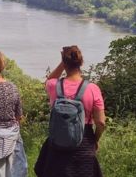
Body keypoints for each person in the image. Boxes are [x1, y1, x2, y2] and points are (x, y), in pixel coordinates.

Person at [34, 45, 106, 177]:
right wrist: (94, 140)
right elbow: (100, 122)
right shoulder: (93, 88)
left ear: (64, 63)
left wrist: (62, 64)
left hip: (57, 143)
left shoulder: (53, 85)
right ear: (81, 62)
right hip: (84, 143)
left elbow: (49, 80)